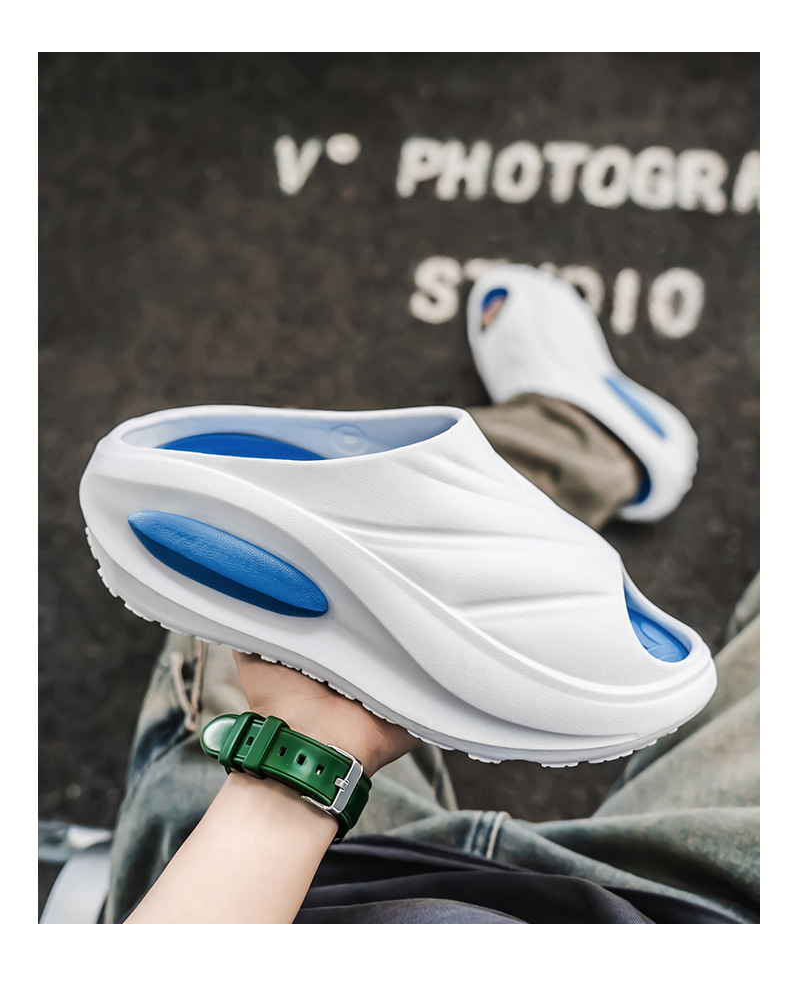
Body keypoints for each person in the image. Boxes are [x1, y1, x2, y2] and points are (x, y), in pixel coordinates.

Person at [100, 266, 759, 924]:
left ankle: (571, 436)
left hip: (280, 880)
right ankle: (578, 438)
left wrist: (297, 758)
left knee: (239, 609)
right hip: (693, 910)